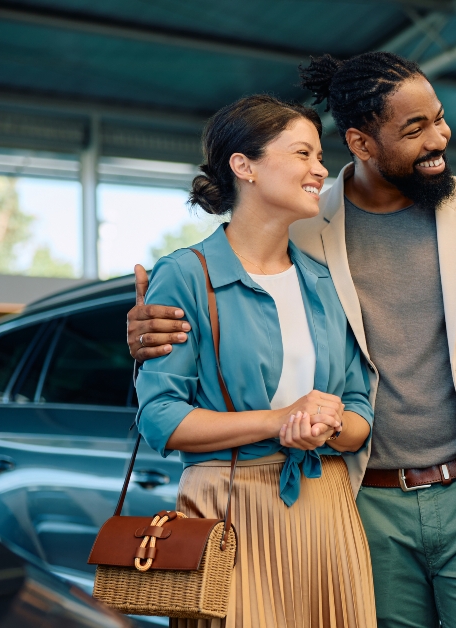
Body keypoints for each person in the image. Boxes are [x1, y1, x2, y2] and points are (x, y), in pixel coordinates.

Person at [126, 51, 456, 627]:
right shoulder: (305, 224)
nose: (441, 136)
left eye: (439, 117)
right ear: (361, 143)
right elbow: (233, 290)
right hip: (358, 501)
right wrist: (144, 329)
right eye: (415, 128)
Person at [135, 95, 376, 627]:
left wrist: (328, 425)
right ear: (243, 166)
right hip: (228, 513)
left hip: (326, 512)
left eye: (320, 155)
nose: (320, 169)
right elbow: (161, 418)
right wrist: (280, 422)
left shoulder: (322, 279)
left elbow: (359, 412)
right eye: (302, 154)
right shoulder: (186, 275)